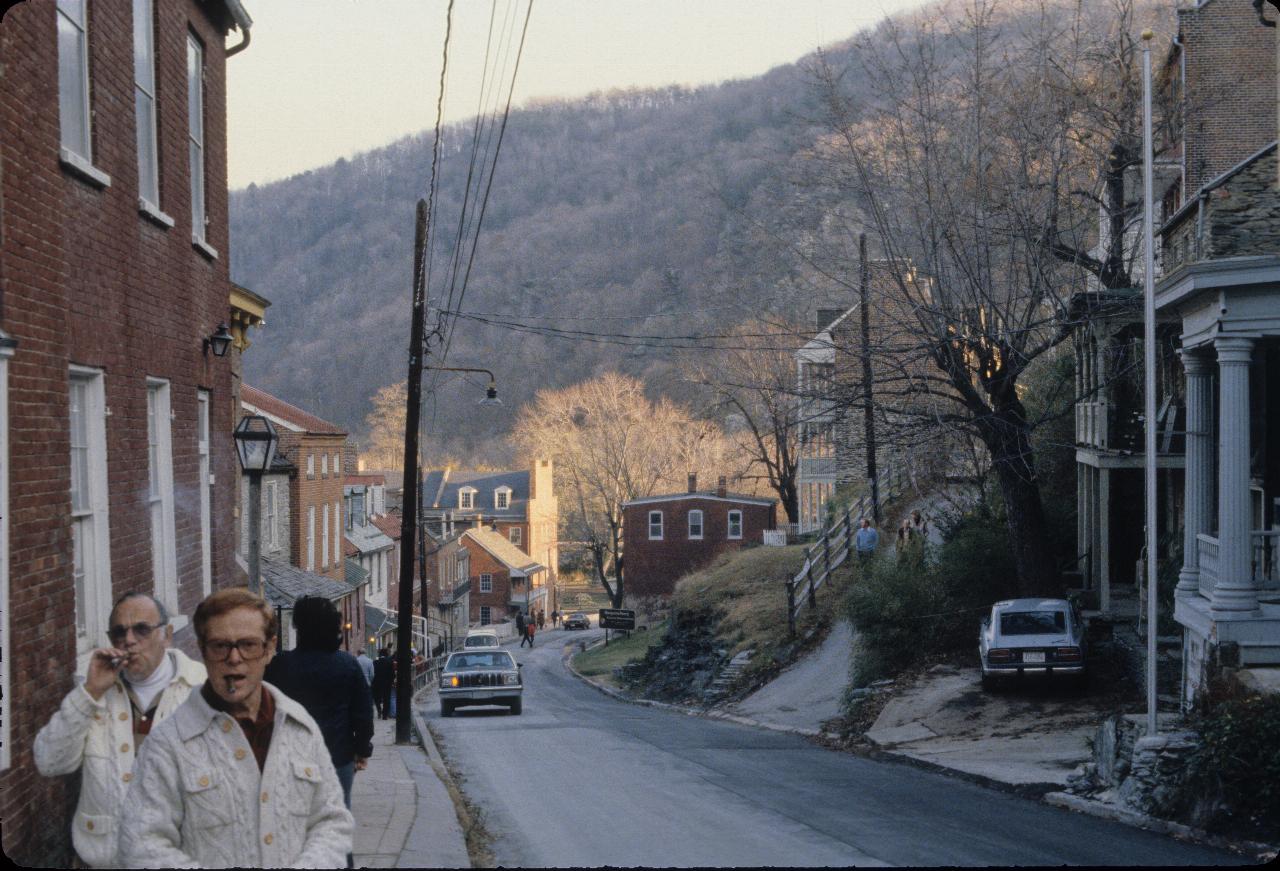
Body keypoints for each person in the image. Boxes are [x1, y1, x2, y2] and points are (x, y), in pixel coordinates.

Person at [120, 588, 351, 867]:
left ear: (269, 650)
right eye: (220, 646)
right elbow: (141, 846)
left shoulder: (299, 727)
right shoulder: (168, 745)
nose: (234, 658)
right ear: (203, 651)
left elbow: (331, 822)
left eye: (248, 645)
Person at [34, 592, 206, 868]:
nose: (129, 640)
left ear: (167, 634)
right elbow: (50, 762)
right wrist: (90, 693)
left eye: (142, 629)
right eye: (118, 632)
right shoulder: (93, 695)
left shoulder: (203, 689)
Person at [264, 596, 373, 813]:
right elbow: (362, 714)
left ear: (298, 627)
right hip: (337, 755)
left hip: (290, 759)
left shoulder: (279, 666)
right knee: (336, 821)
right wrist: (362, 750)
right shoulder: (348, 665)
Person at [372, 647, 394, 720]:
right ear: (386, 654)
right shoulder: (390, 662)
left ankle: (379, 710)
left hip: (377, 682)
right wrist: (391, 681)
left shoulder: (375, 662)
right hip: (387, 683)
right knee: (386, 698)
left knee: (377, 698)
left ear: (379, 654)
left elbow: (373, 673)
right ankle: (385, 715)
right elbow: (392, 674)